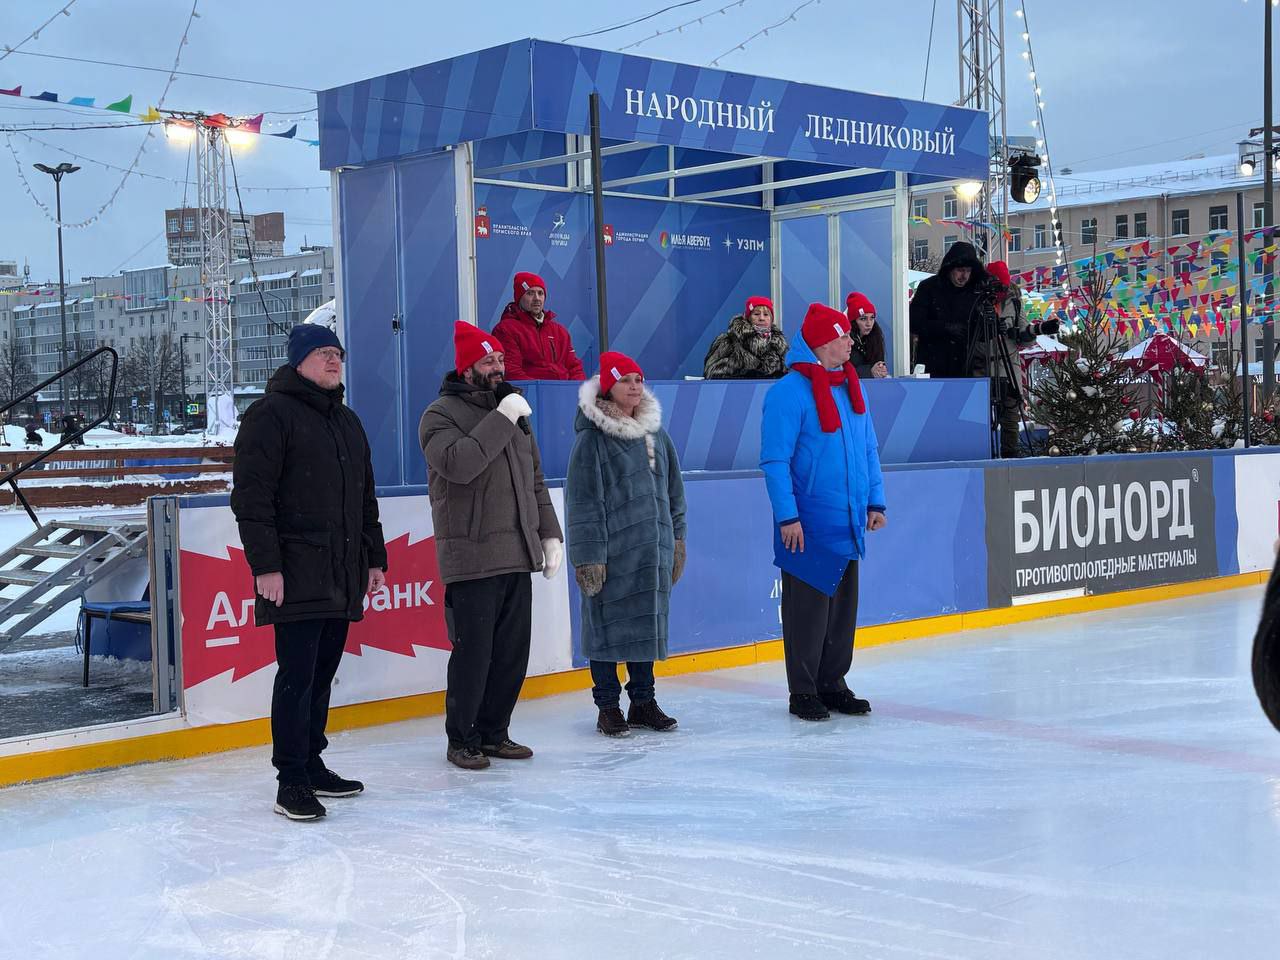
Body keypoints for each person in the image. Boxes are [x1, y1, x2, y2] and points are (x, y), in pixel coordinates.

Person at [231, 324, 388, 822]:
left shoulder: (346, 420)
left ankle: (312, 762)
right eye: (323, 353)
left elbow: (364, 499)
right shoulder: (270, 414)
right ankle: (291, 779)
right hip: (296, 571)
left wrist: (375, 557)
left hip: (341, 572)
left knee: (321, 676)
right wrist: (266, 566)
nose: (334, 360)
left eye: (338, 353)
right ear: (298, 361)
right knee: (296, 678)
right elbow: (252, 499)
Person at [420, 321, 564, 770]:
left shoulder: (514, 410)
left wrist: (549, 533)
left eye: (501, 358)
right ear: (467, 369)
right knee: (474, 654)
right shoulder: (439, 415)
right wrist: (502, 417)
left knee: (510, 655)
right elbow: (459, 464)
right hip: (472, 555)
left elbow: (534, 480)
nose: (498, 367)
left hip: (517, 552)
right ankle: (462, 738)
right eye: (488, 361)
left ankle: (494, 733)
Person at [760, 303, 887, 722]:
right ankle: (803, 691)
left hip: (847, 520)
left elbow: (867, 448)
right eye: (842, 336)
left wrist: (874, 501)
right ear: (820, 343)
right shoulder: (787, 393)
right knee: (807, 615)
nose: (851, 341)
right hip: (807, 523)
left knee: (841, 615)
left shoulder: (851, 385)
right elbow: (775, 461)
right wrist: (787, 517)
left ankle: (833, 683)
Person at [566, 351, 688, 738]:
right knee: (605, 631)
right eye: (625, 380)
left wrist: (677, 539)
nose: (635, 386)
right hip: (612, 555)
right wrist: (589, 557)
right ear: (608, 388)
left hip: (651, 553)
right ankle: (607, 706)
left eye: (638, 379)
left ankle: (643, 701)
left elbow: (674, 492)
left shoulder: (656, 435)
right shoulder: (592, 440)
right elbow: (583, 502)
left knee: (644, 628)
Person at [978, 261, 1057, 458]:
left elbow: (1024, 331)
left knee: (1011, 416)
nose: (1001, 292)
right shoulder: (976, 301)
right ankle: (983, 456)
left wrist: (1035, 331)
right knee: (981, 417)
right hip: (982, 365)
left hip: (1008, 365)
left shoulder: (1014, 302)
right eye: (998, 287)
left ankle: (1010, 455)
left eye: (1004, 287)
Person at [908, 240, 987, 379]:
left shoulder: (975, 293)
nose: (964, 276)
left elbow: (980, 332)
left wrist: (993, 326)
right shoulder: (929, 288)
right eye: (960, 270)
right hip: (932, 365)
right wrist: (945, 328)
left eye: (968, 271)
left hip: (963, 367)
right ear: (950, 268)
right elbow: (914, 322)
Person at [490, 271, 586, 381]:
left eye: (540, 293)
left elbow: (575, 368)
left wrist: (578, 389)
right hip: (528, 391)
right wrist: (541, 389)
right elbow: (512, 372)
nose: (537, 298)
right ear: (519, 298)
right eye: (530, 293)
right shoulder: (505, 329)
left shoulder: (560, 331)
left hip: (563, 389)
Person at [702, 295, 789, 379]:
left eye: (766, 314)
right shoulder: (729, 341)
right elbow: (711, 372)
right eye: (756, 314)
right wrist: (746, 372)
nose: (761, 318)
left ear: (771, 319)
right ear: (748, 317)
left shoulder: (780, 345)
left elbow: (789, 372)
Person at [846, 292, 889, 380]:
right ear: (853, 321)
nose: (869, 324)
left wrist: (880, 370)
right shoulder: (845, 339)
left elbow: (878, 362)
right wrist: (869, 372)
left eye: (872, 318)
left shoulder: (875, 336)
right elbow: (842, 371)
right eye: (863, 319)